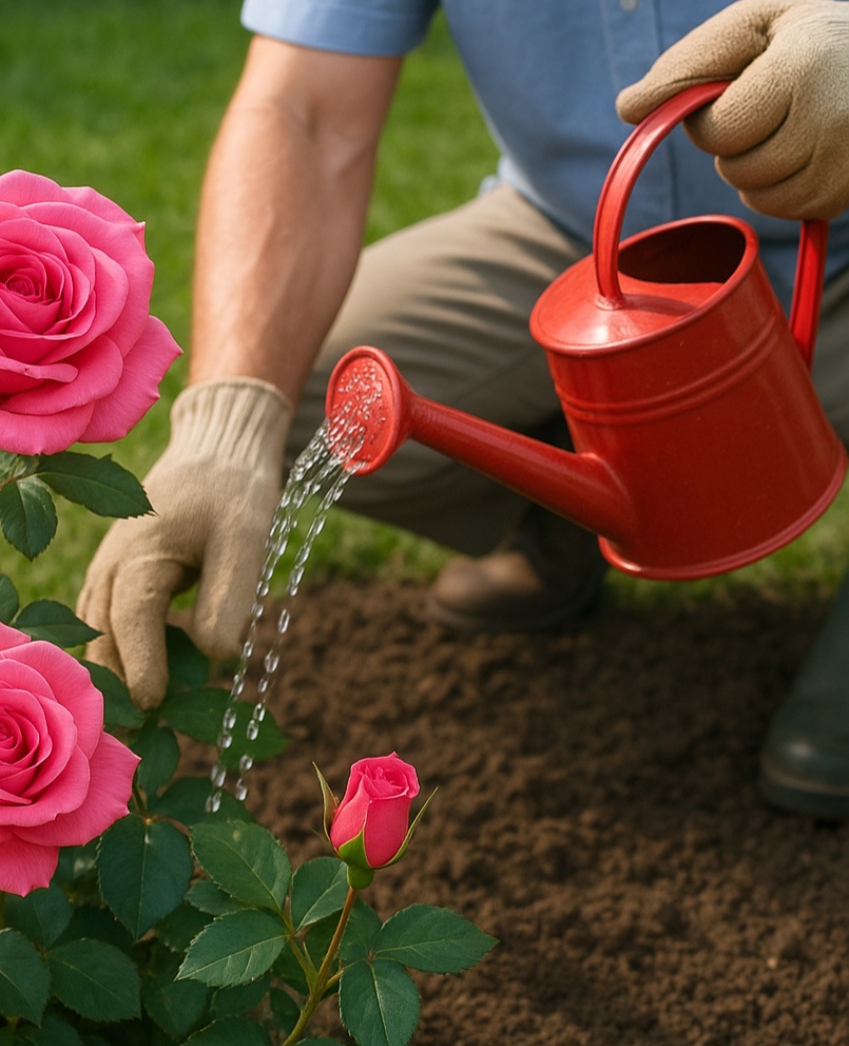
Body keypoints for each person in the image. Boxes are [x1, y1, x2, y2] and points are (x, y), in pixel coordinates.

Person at [79, 0, 849, 818]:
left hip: (831, 246)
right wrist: (226, 421)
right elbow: (302, 111)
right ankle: (580, 504)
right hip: (577, 242)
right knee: (317, 403)